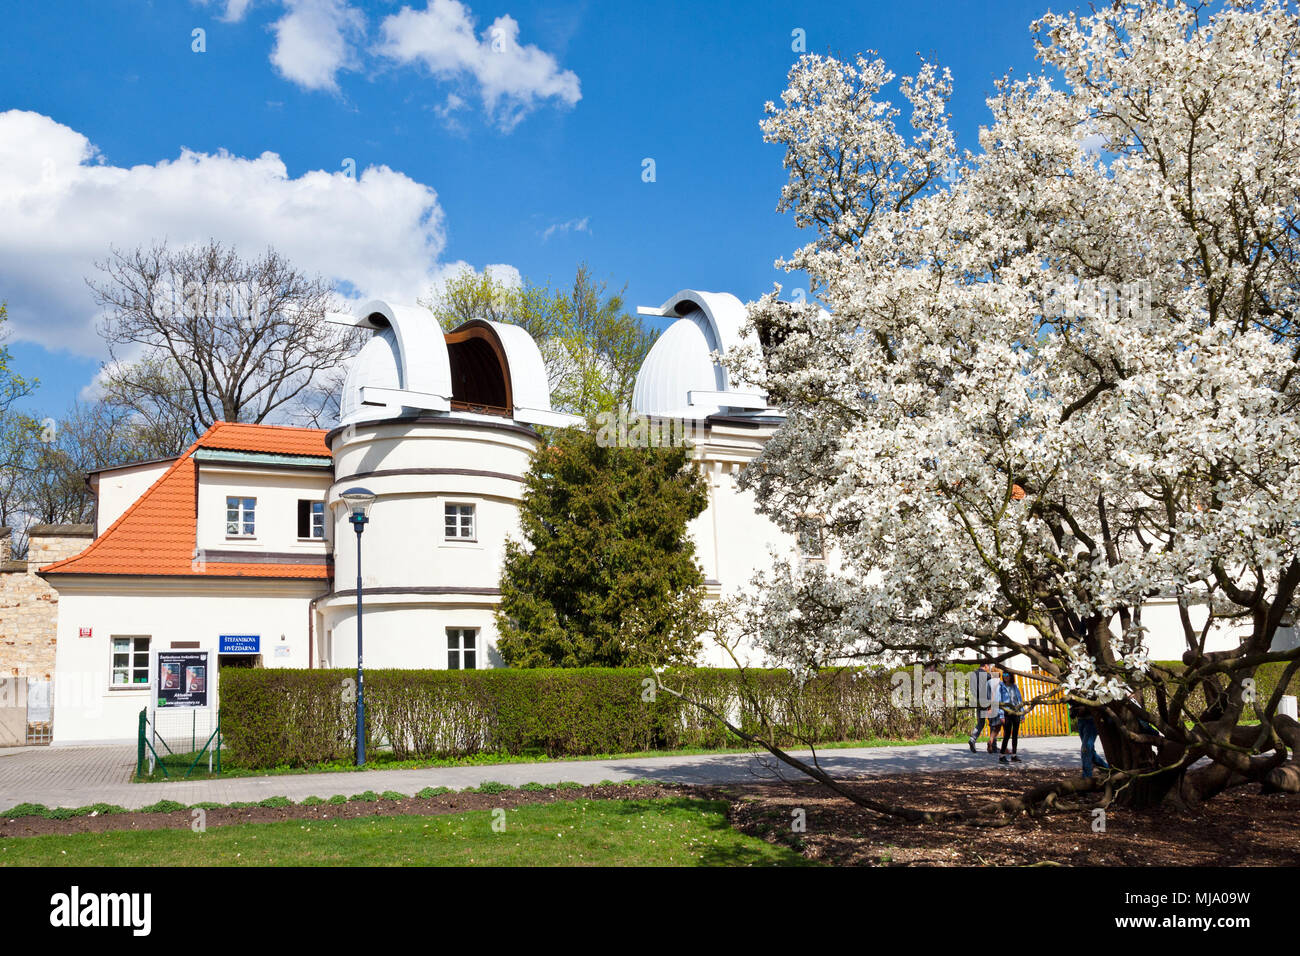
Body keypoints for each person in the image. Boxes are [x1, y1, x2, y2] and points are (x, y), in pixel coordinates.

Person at [1070, 700, 1110, 777]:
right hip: (1080, 720)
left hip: (1091, 721)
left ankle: (1086, 776)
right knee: (1090, 751)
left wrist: (1086, 707)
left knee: (1086, 749)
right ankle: (1107, 769)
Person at [998, 671, 1024, 763]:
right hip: (1006, 713)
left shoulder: (1014, 686)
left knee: (1015, 735)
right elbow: (999, 701)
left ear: (1010, 676)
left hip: (1015, 712)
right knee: (1007, 734)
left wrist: (1022, 713)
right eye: (1003, 675)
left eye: (1007, 675)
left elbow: (1019, 699)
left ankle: (1014, 755)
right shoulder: (1000, 686)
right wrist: (1001, 715)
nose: (1005, 677)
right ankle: (1001, 756)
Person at [967, 663, 992, 752]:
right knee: (992, 722)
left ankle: (972, 739)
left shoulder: (973, 674)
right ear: (985, 665)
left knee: (981, 722)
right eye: (988, 666)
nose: (989, 668)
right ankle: (993, 744)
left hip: (978, 701)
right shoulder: (987, 675)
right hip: (987, 701)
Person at [982, 667, 1004, 753]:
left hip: (990, 707)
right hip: (998, 707)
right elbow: (997, 695)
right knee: (1000, 726)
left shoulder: (988, 683)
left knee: (993, 726)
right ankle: (995, 744)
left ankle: (993, 745)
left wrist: (988, 707)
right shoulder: (999, 683)